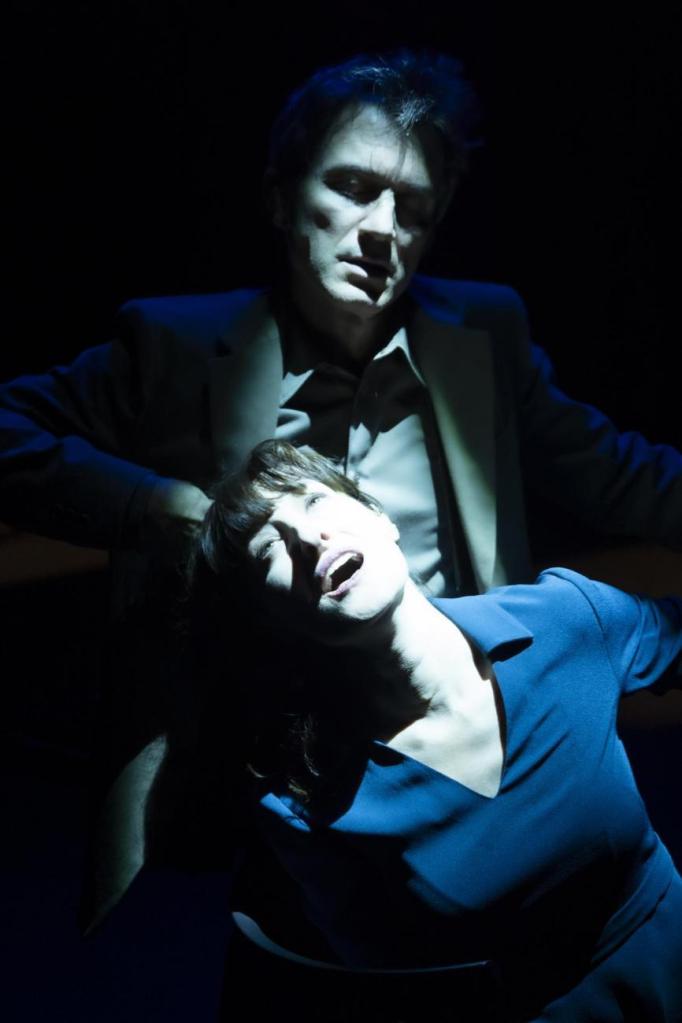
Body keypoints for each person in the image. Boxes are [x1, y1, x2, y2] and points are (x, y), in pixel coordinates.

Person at [1, 49, 682, 928]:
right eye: (354, 188)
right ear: (281, 198)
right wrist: (157, 507)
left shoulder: (484, 334)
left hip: (450, 783)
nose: (382, 229)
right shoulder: (173, 347)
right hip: (236, 791)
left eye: (415, 208)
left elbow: (627, 477)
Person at [188, 438, 682, 1023]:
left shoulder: (563, 619)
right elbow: (389, 993)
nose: (309, 537)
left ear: (381, 518)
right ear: (271, 619)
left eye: (314, 502)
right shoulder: (305, 801)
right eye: (270, 546)